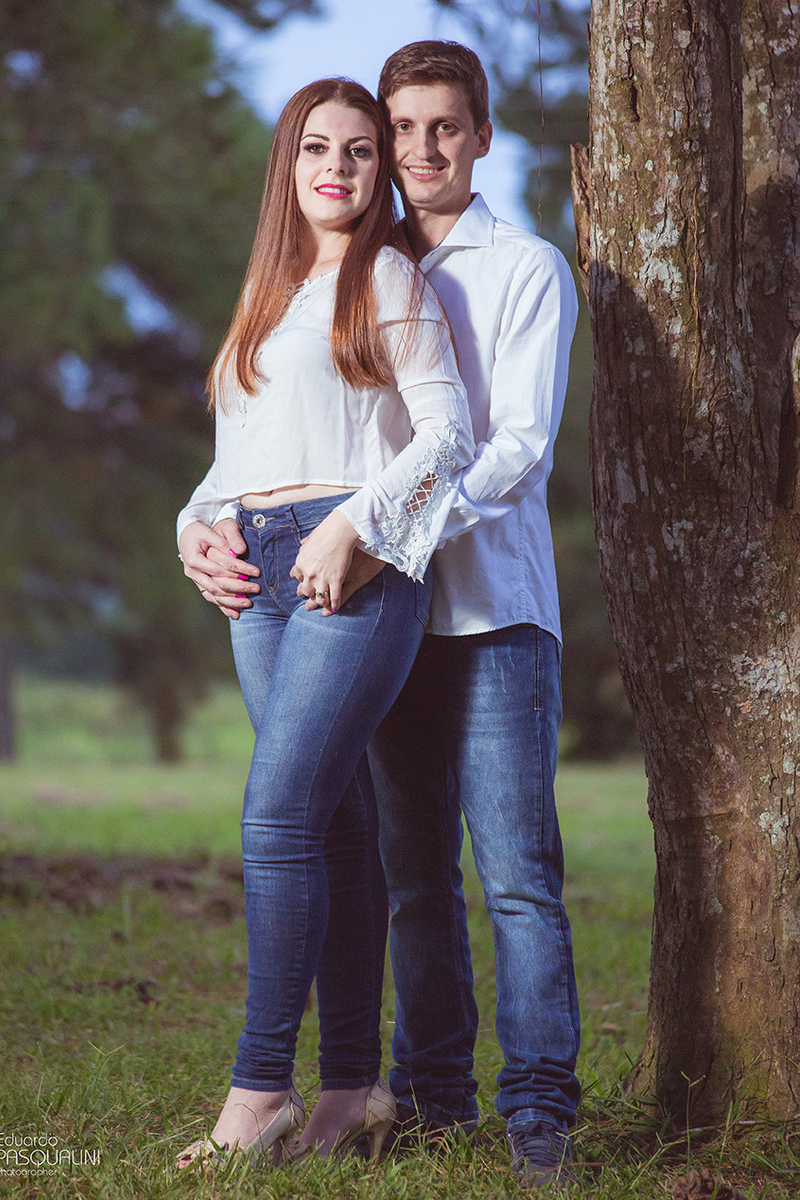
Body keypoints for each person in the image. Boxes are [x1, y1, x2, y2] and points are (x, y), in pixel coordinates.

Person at [174, 77, 474, 1168]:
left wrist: (351, 528)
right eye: (316, 148)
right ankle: (351, 1090)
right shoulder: (267, 290)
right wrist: (192, 529)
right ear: (286, 166)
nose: (338, 168)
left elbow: (445, 435)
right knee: (335, 831)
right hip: (256, 569)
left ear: (376, 170)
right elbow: (234, 456)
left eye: (358, 150)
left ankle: (259, 1092)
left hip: (354, 568)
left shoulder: (384, 275)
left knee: (277, 816)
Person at [365, 41, 582, 1192]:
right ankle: (433, 1101)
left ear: (480, 136)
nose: (420, 152)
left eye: (442, 127)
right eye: (401, 130)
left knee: (514, 879)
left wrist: (396, 529)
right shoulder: (366, 266)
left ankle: (539, 1109)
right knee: (413, 881)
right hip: (389, 622)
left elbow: (520, 450)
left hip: (495, 615)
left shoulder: (526, 267)